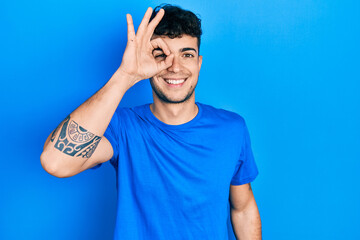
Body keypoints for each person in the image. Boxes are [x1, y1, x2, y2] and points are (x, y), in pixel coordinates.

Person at [40, 4, 261, 240]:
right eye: (162, 55)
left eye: (187, 54)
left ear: (199, 63)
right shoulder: (122, 127)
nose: (175, 67)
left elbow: (243, 207)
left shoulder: (232, 129)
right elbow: (55, 162)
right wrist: (125, 76)